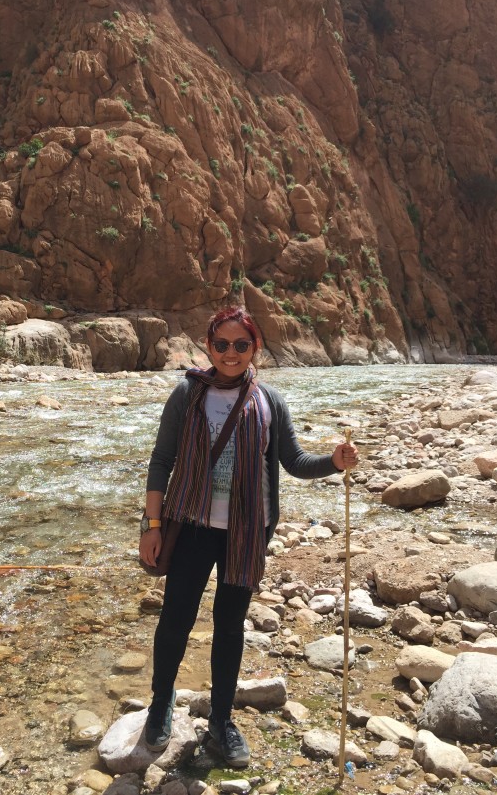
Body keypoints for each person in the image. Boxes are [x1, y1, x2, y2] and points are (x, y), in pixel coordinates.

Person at [138, 306, 358, 767]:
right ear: (209, 346)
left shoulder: (269, 401)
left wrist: (334, 461)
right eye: (222, 344)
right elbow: (161, 462)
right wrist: (151, 526)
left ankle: (221, 720)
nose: (231, 353)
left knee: (229, 627)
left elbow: (294, 462)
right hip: (192, 528)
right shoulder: (187, 394)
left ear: (255, 348)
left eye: (241, 345)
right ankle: (160, 704)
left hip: (245, 533)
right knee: (176, 619)